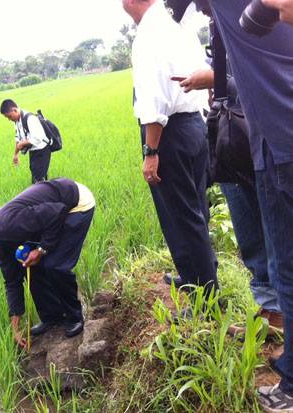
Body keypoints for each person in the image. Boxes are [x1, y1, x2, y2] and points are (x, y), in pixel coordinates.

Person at [175, 0, 293, 409]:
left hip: (273, 138)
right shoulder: (227, 22)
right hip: (259, 139)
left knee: (282, 259)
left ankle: (291, 370)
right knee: (275, 257)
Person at [121, 0, 219, 301]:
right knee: (196, 210)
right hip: (194, 126)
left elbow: (154, 99)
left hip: (169, 134)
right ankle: (196, 274)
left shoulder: (149, 35)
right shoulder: (177, 28)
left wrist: (151, 152)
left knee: (180, 218)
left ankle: (205, 297)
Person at [174, 68, 283, 336]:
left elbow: (267, 76)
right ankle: (270, 309)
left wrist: (216, 80)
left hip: (260, 132)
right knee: (249, 229)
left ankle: (280, 312)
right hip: (229, 129)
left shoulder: (255, 26)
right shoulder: (221, 29)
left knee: (271, 228)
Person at [0, 178, 95, 347]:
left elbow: (56, 212)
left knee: (55, 265)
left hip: (75, 203)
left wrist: (42, 249)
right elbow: (12, 282)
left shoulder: (8, 225)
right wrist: (14, 327)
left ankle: (75, 317)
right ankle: (52, 317)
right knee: (30, 266)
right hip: (53, 211)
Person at [0, 99, 52, 184]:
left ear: (15, 110)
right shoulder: (16, 121)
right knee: (40, 179)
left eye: (9, 116)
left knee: (38, 182)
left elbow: (38, 138)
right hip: (34, 152)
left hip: (42, 151)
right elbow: (18, 138)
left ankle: (45, 195)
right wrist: (16, 154)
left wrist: (23, 143)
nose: (9, 119)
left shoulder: (30, 118)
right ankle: (49, 194)